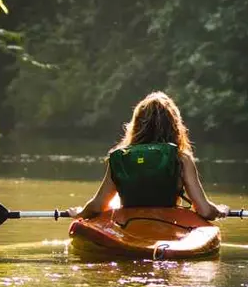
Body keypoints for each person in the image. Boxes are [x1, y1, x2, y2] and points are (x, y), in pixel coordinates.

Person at [67, 91, 229, 220]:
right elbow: (205, 211)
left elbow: (98, 206)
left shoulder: (120, 158)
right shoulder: (181, 159)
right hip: (168, 225)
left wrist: (80, 214)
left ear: (136, 125)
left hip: (128, 226)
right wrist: (220, 210)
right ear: (174, 126)